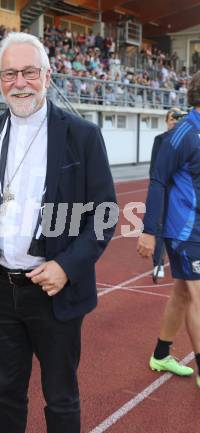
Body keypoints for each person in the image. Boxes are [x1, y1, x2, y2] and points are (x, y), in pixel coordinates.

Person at [0, 32, 116, 433]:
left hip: (54, 291)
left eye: (29, 71)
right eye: (10, 73)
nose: (20, 82)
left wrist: (66, 266)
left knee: (61, 396)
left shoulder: (82, 135)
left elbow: (104, 215)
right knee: (6, 396)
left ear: (47, 75)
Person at [137, 71, 200, 389]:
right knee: (198, 295)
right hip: (186, 229)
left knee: (182, 293)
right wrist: (150, 231)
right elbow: (158, 180)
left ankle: (161, 354)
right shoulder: (183, 134)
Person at [150, 108, 186, 281]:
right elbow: (154, 169)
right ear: (166, 120)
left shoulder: (188, 139)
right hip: (164, 190)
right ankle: (157, 263)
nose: (175, 121)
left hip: (181, 192)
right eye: (172, 118)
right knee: (158, 228)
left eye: (178, 118)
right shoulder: (160, 140)